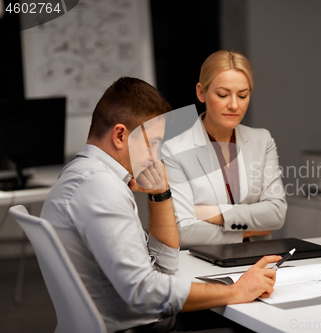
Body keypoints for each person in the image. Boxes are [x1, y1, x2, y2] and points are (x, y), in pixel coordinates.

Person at [40, 77, 280, 333]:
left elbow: (164, 267)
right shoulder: (101, 187)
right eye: (153, 143)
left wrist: (160, 194)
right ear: (120, 135)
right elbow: (143, 291)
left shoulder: (85, 175)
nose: (156, 156)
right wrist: (234, 291)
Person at [162, 50, 287, 249]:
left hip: (260, 259)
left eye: (243, 95)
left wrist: (215, 213)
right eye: (223, 94)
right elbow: (184, 231)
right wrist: (252, 229)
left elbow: (277, 214)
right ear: (201, 93)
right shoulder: (174, 150)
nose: (234, 105)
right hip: (203, 264)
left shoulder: (262, 140)